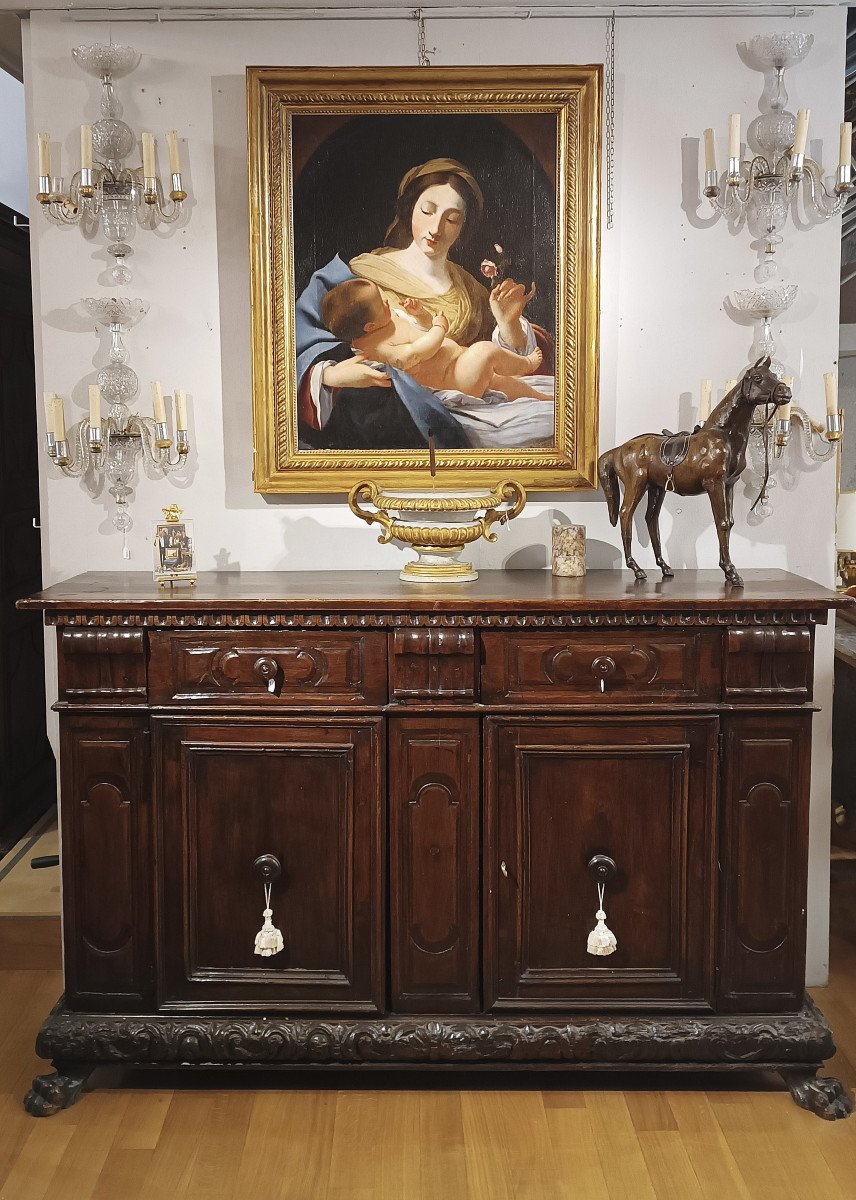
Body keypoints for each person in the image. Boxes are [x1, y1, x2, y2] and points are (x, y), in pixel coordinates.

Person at [295, 157, 549, 450]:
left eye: (452, 219)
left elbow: (511, 363)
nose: (436, 228)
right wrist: (330, 374)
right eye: (427, 211)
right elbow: (293, 341)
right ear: (409, 209)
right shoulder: (357, 273)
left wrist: (508, 326)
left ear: (463, 227)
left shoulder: (473, 294)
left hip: (477, 397)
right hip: (406, 415)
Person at [321, 278, 550, 402]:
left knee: (501, 383)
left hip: (460, 364)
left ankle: (540, 397)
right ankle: (526, 364)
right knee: (484, 351)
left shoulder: (388, 320)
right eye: (381, 304)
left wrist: (421, 315)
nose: (387, 303)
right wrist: (439, 329)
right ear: (369, 327)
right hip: (455, 380)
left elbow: (421, 329)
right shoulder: (376, 348)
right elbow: (415, 354)